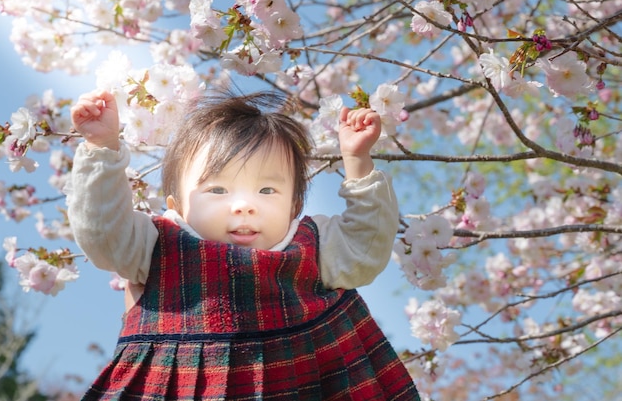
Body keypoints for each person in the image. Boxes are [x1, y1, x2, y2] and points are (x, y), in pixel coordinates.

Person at [67, 88, 420, 400]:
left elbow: (366, 249)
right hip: (179, 382)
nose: (244, 205)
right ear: (176, 208)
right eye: (218, 190)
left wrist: (358, 162)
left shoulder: (311, 246)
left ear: (295, 207)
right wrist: (102, 150)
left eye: (268, 190)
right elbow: (103, 235)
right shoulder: (158, 243)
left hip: (304, 379)